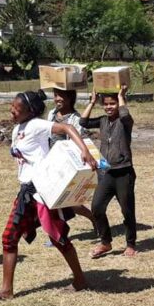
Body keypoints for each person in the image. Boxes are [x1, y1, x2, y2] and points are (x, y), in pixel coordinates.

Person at [0, 90, 96, 301]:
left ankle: (80, 280)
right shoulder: (18, 129)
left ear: (30, 111)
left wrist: (85, 152)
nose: (12, 111)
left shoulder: (36, 125)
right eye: (12, 106)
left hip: (42, 192)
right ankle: (6, 290)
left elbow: (68, 128)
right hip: (26, 192)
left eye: (17, 108)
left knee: (58, 238)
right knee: (9, 237)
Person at [81, 85, 137, 258]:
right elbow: (83, 122)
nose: (109, 107)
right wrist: (91, 102)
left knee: (127, 210)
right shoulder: (103, 121)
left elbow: (125, 114)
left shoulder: (125, 121)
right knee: (97, 207)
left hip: (123, 172)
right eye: (106, 104)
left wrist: (121, 96)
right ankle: (105, 242)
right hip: (106, 173)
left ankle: (130, 243)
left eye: (112, 103)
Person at [47, 88, 95, 229]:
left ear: (70, 98)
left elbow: (78, 141)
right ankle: (57, 232)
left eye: (61, 96)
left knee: (71, 202)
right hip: (51, 162)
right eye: (55, 96)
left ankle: (94, 218)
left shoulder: (75, 118)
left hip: (66, 164)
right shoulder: (52, 114)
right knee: (52, 199)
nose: (57, 99)